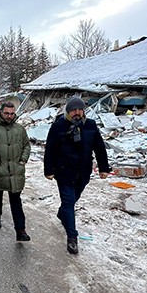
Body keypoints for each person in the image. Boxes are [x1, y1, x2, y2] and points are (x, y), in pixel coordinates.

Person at [44, 96, 110, 255]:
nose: (77, 113)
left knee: (73, 200)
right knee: (69, 202)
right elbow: (50, 149)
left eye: (80, 109)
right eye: (74, 110)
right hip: (64, 171)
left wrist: (103, 168)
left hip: (83, 172)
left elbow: (100, 148)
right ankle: (72, 238)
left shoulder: (90, 125)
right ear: (68, 111)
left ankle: (62, 214)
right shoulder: (58, 126)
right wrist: (49, 170)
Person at [0, 102, 31, 240]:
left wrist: (22, 161)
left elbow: (26, 145)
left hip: (15, 171)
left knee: (16, 200)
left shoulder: (20, 129)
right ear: (1, 112)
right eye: (6, 113)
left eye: (12, 113)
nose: (9, 116)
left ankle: (20, 230)